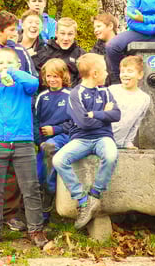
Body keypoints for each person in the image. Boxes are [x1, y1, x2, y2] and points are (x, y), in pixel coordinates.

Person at [0, 48, 49, 248]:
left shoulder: (24, 83)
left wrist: (12, 73)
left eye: (10, 63)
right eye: (1, 63)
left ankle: (36, 230)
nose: (5, 66)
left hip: (23, 142)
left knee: (30, 188)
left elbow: (33, 83)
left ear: (19, 65)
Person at [52, 53, 121, 230]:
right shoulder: (75, 94)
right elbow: (84, 123)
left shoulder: (105, 91)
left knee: (111, 155)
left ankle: (94, 195)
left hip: (103, 137)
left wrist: (94, 114)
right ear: (95, 73)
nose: (107, 73)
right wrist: (104, 115)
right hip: (81, 139)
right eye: (104, 70)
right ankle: (82, 200)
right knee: (58, 160)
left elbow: (116, 115)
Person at [35, 59, 72, 222]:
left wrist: (56, 129)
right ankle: (42, 211)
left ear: (64, 76)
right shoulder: (42, 97)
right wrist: (38, 140)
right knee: (38, 173)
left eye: (56, 76)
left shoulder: (71, 96)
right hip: (44, 142)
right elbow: (36, 121)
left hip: (64, 137)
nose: (52, 79)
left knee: (50, 148)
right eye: (49, 76)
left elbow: (76, 122)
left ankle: (49, 196)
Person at [108, 56, 151, 149]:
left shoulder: (144, 99)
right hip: (102, 140)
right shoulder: (111, 91)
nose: (125, 74)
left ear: (140, 75)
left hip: (120, 143)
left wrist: (128, 142)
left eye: (130, 71)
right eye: (122, 71)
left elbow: (136, 123)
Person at [0, 10, 37, 76]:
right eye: (12, 30)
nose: (15, 33)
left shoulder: (21, 49)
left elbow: (32, 74)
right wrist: (10, 45)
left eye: (16, 30)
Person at [35, 17, 85, 87]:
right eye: (62, 33)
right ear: (56, 33)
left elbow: (83, 80)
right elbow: (38, 78)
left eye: (70, 34)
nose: (66, 38)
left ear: (75, 34)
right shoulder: (44, 52)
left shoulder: (81, 55)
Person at [89, 13, 118, 86]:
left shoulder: (123, 47)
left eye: (98, 26)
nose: (95, 30)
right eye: (94, 28)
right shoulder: (94, 51)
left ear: (110, 26)